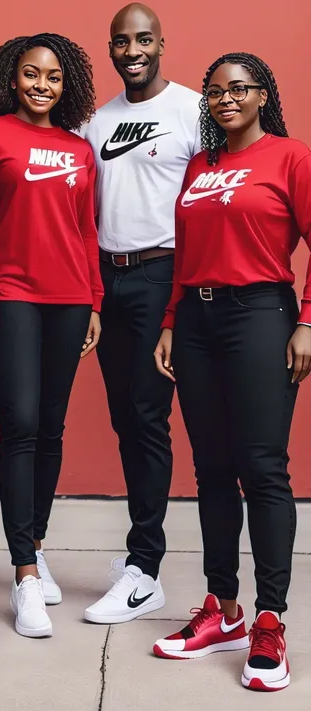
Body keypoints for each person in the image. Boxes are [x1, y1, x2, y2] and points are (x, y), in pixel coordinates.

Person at [153, 52, 311, 691]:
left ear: (263, 95)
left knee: (262, 467)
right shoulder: (200, 164)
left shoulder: (290, 157)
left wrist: (308, 321)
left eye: (239, 88)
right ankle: (223, 607)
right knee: (211, 469)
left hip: (261, 315)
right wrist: (169, 320)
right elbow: (185, 250)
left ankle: (270, 619)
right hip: (196, 319)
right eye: (215, 91)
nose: (225, 98)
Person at [0, 33, 103, 638]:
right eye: (30, 73)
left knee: (51, 426)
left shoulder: (78, 149)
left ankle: (37, 546)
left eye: (52, 76)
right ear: (11, 77)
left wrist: (95, 299)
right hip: (14, 295)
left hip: (71, 298)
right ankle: (24, 575)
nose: (42, 84)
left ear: (65, 83)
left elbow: (85, 230)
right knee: (20, 424)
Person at [81, 3, 201, 624]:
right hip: (110, 278)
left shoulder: (191, 110)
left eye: (144, 39)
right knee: (127, 417)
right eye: (122, 41)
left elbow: (214, 197)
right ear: (110, 49)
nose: (133, 50)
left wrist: (181, 304)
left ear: (161, 43)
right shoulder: (97, 122)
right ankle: (139, 553)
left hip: (164, 275)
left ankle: (145, 568)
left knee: (150, 417)